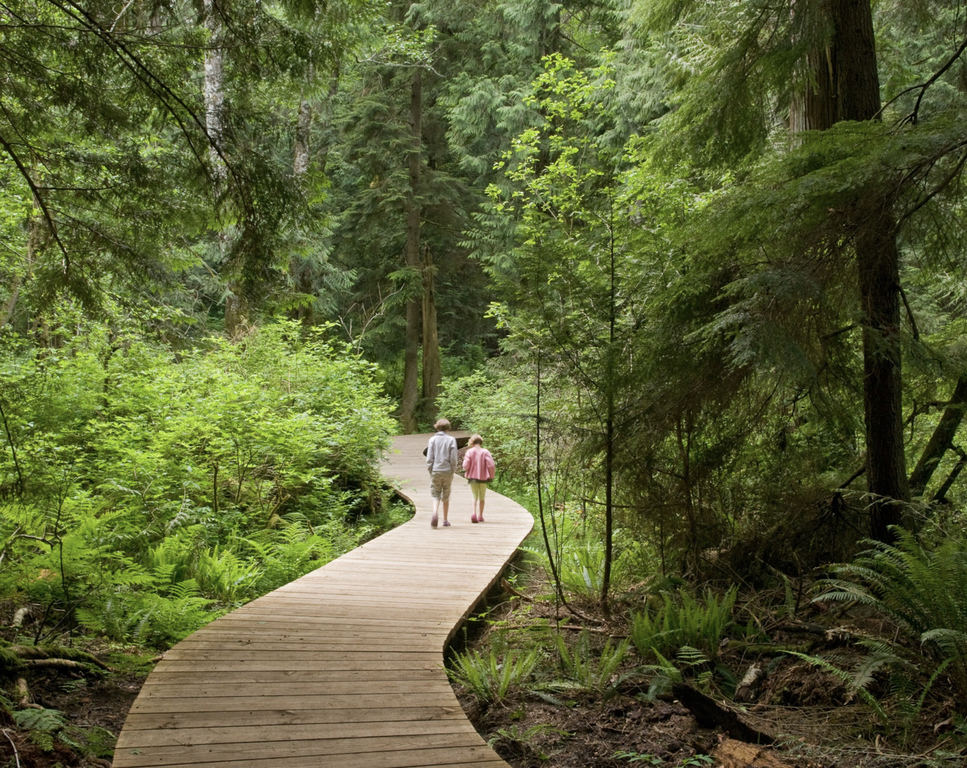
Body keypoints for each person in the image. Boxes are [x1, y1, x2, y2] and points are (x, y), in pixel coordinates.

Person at [426, 418, 458, 527]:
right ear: (448, 427)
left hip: (436, 469)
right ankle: (445, 519)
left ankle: (435, 512)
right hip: (447, 470)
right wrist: (453, 469)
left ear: (437, 427)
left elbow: (429, 457)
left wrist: (430, 469)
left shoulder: (432, 440)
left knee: (435, 493)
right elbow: (453, 458)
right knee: (446, 494)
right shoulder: (451, 440)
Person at [462, 434, 495, 523]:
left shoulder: (469, 452)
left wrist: (465, 469)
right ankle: (480, 515)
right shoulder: (485, 452)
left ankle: (473, 513)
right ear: (481, 442)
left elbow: (465, 465)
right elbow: (491, 465)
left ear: (472, 442)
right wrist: (491, 475)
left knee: (474, 495)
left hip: (472, 477)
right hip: (483, 477)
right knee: (482, 497)